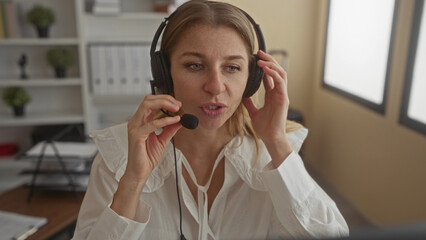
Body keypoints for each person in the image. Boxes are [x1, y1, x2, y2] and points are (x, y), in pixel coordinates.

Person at [72, 0, 349, 239]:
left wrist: (276, 143)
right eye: (195, 65)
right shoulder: (119, 154)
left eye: (232, 67)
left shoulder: (274, 153)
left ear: (253, 78)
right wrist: (132, 181)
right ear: (164, 75)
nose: (216, 86)